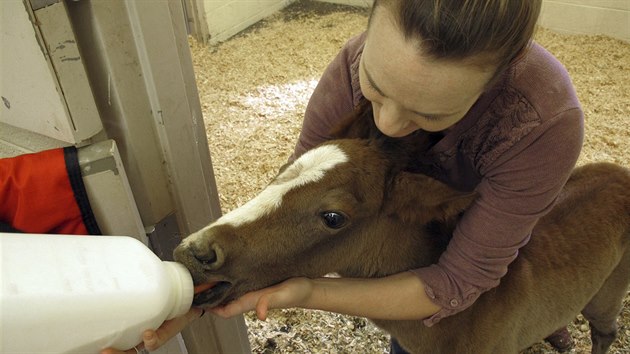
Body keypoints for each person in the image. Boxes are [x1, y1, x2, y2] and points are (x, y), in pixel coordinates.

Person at [104, 0, 583, 353]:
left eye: (431, 113)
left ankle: (544, 319)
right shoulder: (353, 64)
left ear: (498, 77)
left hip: (462, 231)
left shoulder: (543, 124)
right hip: (386, 236)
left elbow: (458, 281)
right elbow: (298, 191)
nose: (388, 124)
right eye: (374, 87)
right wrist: (197, 288)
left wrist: (314, 293)